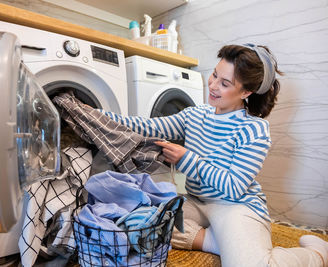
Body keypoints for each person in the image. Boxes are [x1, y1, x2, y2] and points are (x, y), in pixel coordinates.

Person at [100, 44, 328, 266]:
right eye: (215, 74)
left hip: (236, 205)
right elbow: (147, 126)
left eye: (225, 83)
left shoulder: (254, 129)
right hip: (197, 202)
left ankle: (317, 254)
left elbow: (233, 186)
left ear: (246, 91)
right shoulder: (196, 115)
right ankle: (216, 241)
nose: (213, 85)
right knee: (140, 226)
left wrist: (186, 159)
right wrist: (95, 114)